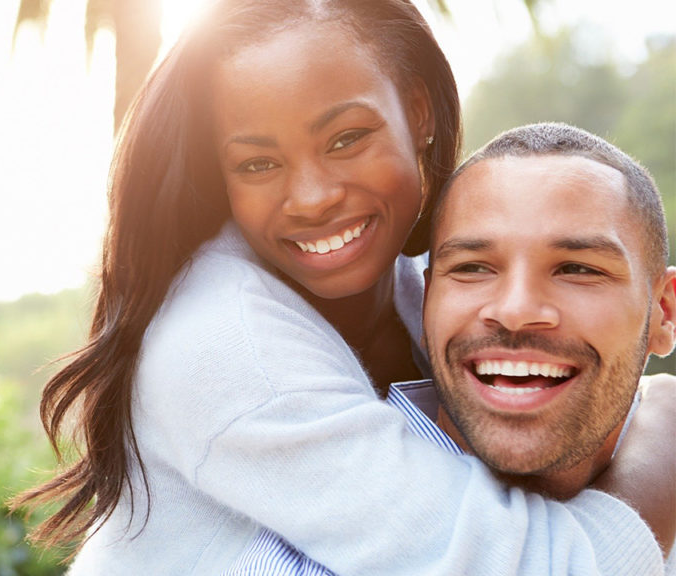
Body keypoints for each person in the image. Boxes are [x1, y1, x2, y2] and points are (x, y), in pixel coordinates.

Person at [10, 2, 675, 574]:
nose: (313, 197)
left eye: (346, 138)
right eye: (258, 162)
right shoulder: (223, 340)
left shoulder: (423, 288)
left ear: (418, 112)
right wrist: (660, 448)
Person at [221, 122, 676, 575]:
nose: (515, 311)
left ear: (664, 312)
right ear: (425, 304)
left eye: (576, 268)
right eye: (474, 267)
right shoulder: (308, 560)